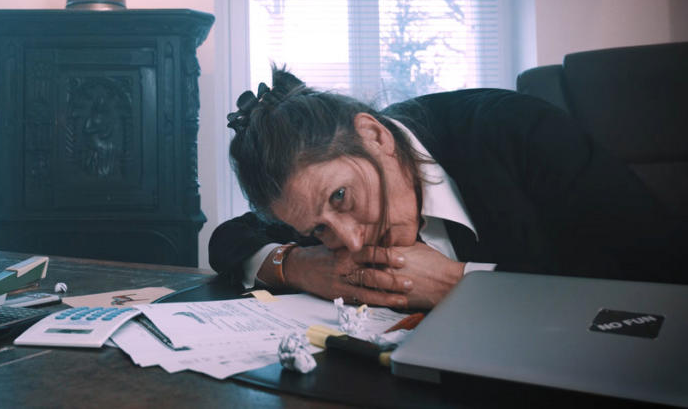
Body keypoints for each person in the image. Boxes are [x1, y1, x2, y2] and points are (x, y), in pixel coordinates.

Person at [209, 68, 687, 309]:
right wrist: (297, 265)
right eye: (319, 228)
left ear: (376, 137)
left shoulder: (516, 130)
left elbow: (658, 268)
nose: (351, 242)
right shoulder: (316, 195)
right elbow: (228, 239)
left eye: (342, 199)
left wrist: (462, 285)